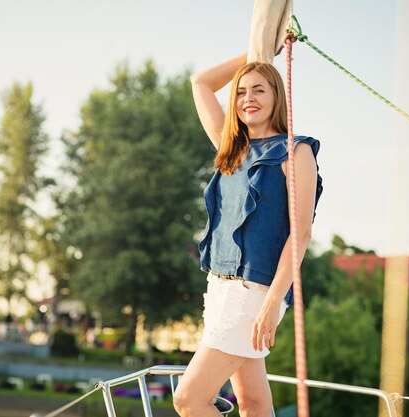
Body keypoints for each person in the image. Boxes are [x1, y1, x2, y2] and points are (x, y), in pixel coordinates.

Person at [173, 49, 323, 417]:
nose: (248, 99)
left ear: (277, 97)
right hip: (219, 288)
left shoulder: (294, 152)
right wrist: (257, 49)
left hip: (255, 294)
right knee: (254, 403)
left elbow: (300, 234)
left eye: (259, 90)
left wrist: (274, 302)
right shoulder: (232, 149)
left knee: (188, 399)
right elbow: (201, 82)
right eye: (241, 92)